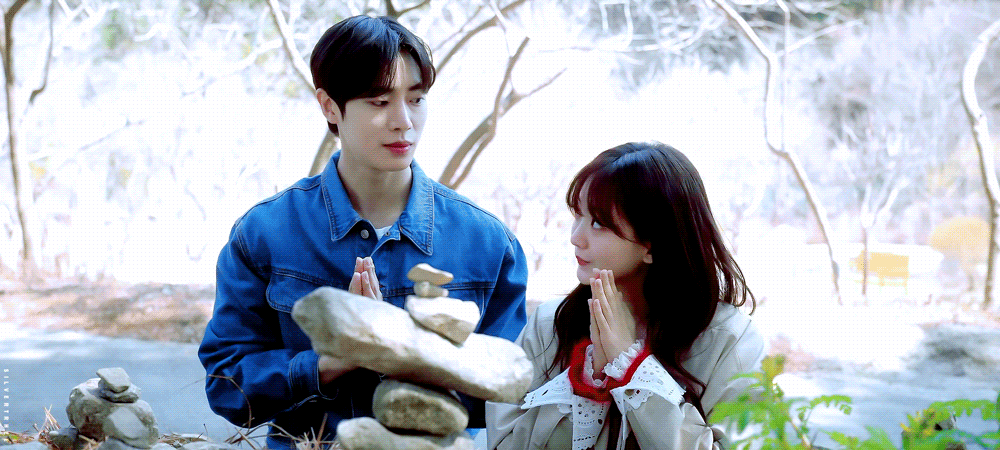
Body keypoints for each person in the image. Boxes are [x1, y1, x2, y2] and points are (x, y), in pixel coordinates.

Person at [198, 15, 528, 449]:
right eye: (379, 101)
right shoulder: (265, 234)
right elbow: (227, 386)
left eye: (416, 99)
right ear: (329, 106)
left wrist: (399, 349)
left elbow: (511, 396)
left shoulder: (488, 244)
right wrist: (332, 360)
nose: (403, 121)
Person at [485, 142, 764, 450]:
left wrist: (631, 366)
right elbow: (501, 442)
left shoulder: (730, 340)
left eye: (598, 223)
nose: (575, 237)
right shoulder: (549, 324)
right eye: (578, 215)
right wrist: (591, 379)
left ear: (652, 243)